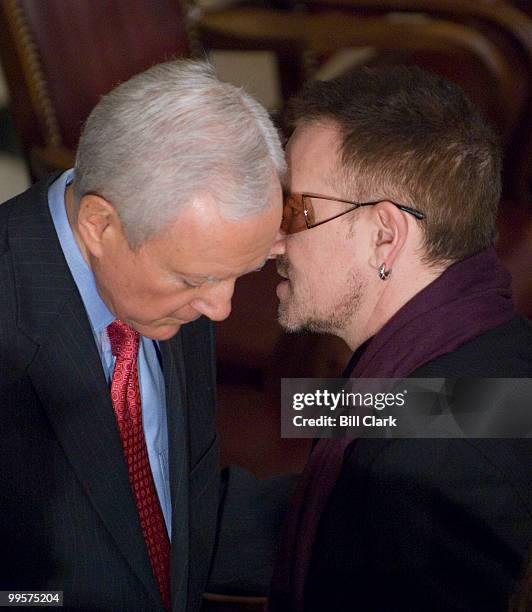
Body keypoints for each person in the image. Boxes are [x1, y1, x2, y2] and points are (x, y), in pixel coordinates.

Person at [0, 59, 289, 611]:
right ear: (100, 224)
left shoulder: (167, 284)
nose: (220, 307)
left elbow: (163, 496)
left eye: (239, 275)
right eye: (195, 278)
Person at [269, 66, 532, 611]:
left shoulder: (415, 480)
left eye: (295, 210)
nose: (274, 242)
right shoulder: (493, 351)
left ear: (384, 237)